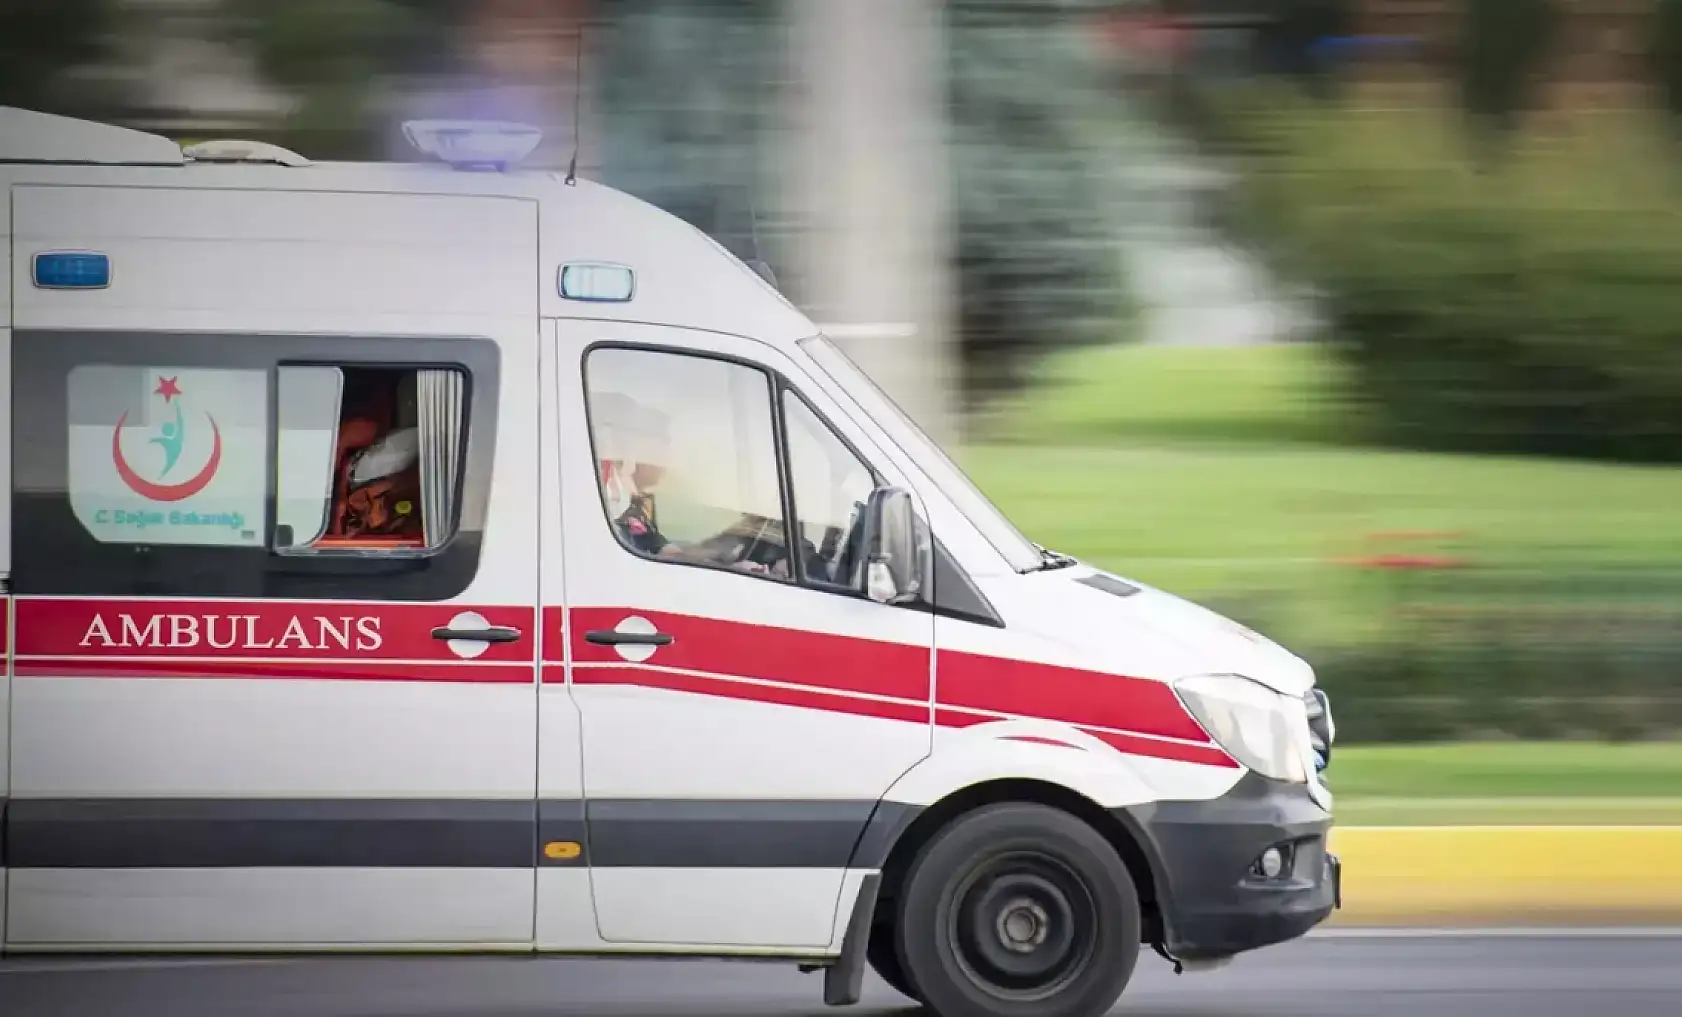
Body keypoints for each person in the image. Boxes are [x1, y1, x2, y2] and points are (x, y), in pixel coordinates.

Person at [591, 390, 769, 575]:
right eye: (664, 443)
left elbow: (666, 552)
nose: (668, 456)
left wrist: (724, 555)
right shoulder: (611, 504)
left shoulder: (634, 505)